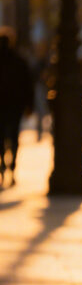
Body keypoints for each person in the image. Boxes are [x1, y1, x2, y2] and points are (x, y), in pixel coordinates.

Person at [0, 28, 34, 186]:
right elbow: (28, 85)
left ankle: (2, 167)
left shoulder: (18, 61)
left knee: (1, 138)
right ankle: (12, 168)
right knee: (13, 137)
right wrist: (29, 105)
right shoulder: (19, 61)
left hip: (4, 105)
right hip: (15, 106)